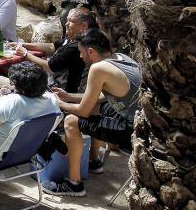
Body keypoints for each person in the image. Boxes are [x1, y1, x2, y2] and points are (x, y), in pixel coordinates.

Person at [43, 29, 141, 197]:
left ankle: (74, 184)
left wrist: (59, 103)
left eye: (81, 53)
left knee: (72, 121)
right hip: (141, 123)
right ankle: (94, 161)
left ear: (90, 52)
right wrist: (69, 96)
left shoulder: (98, 69)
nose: (80, 57)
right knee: (95, 108)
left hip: (130, 132)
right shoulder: (122, 58)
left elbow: (83, 110)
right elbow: (102, 96)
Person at [15, 6, 97, 93]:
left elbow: (48, 66)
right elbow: (52, 47)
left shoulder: (76, 47)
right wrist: (23, 44)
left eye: (70, 21)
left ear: (83, 26)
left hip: (63, 93)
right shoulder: (72, 39)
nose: (66, 24)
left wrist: (25, 54)